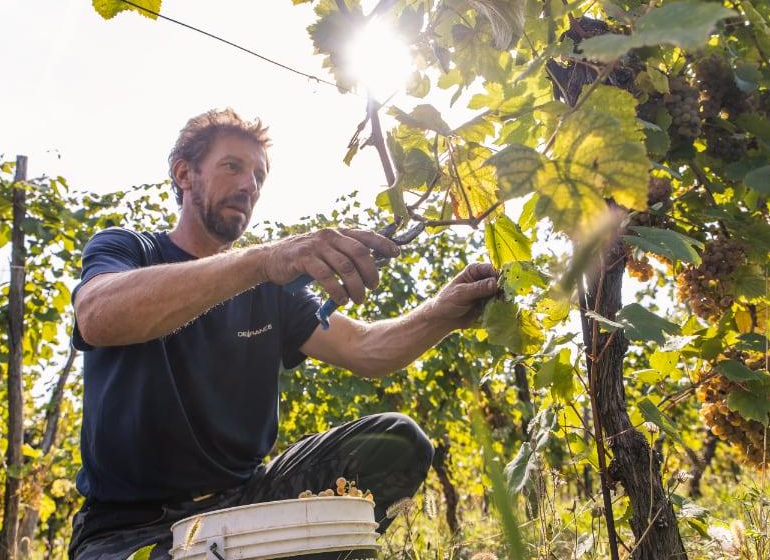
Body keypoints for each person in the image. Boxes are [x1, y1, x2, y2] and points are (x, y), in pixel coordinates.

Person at [68, 108, 502, 559]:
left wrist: (442, 314)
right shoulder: (129, 249)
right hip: (129, 529)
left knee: (396, 442)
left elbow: (365, 348)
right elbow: (98, 316)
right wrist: (262, 261)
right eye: (232, 166)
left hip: (247, 506)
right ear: (184, 174)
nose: (248, 186)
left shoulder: (271, 291)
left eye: (259, 176)